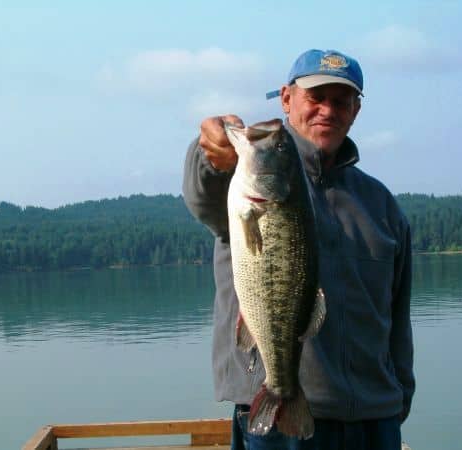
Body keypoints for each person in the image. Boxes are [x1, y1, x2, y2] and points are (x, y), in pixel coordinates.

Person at [182, 49, 414, 450]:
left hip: (375, 419)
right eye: (316, 97)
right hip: (276, 421)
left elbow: (397, 318)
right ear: (287, 99)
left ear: (356, 110)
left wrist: (399, 396)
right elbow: (205, 189)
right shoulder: (243, 179)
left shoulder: (382, 206)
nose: (327, 110)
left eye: (341, 101)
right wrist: (209, 153)